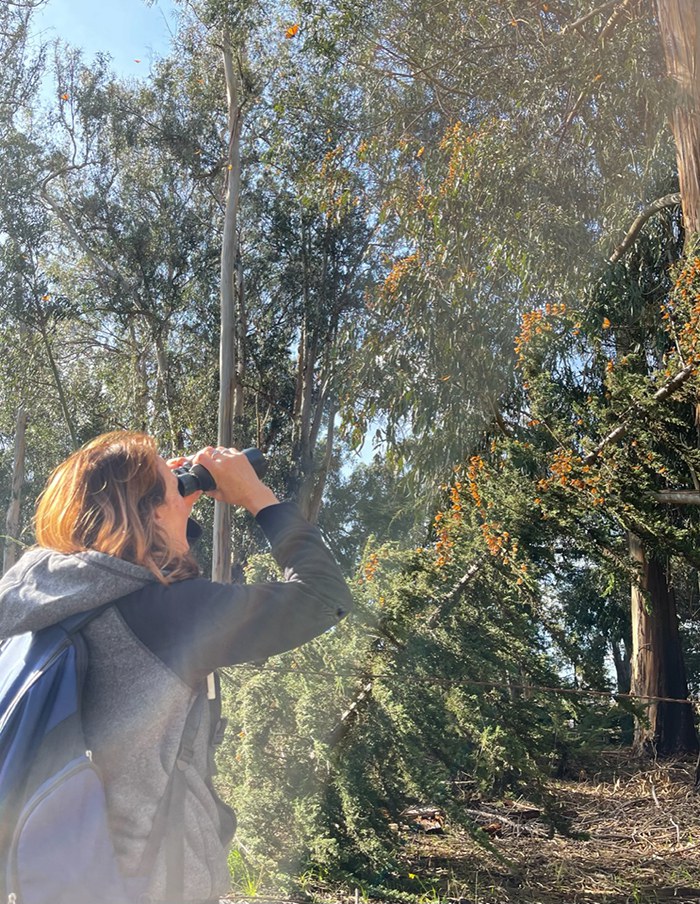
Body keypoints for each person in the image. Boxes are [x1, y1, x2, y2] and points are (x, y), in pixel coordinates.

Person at [0, 431, 353, 904]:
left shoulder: (40, 600)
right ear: (150, 513)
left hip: (56, 873)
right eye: (174, 489)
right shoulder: (167, 615)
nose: (185, 493)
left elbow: (161, 561)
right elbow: (323, 598)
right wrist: (257, 497)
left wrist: (170, 492)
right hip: (148, 884)